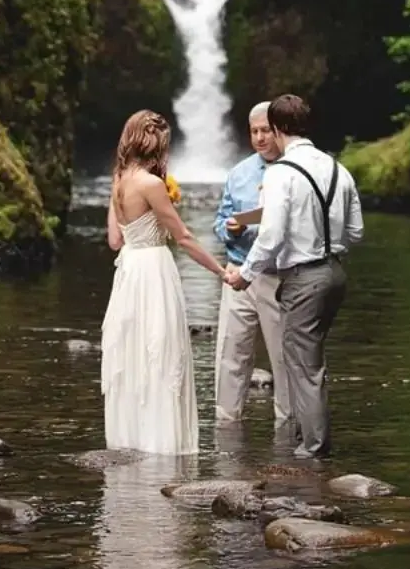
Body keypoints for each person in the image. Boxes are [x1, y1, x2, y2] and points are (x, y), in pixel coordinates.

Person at [227, 94, 364, 458]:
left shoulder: (280, 174)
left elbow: (270, 236)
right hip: (335, 273)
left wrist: (245, 273)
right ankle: (309, 441)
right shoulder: (340, 169)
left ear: (276, 128)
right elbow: (355, 232)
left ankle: (312, 450)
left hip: (303, 278)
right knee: (310, 358)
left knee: (304, 365)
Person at [102, 110, 228, 455]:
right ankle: (162, 446)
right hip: (154, 271)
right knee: (161, 351)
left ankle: (129, 440)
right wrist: (222, 272)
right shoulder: (152, 185)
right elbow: (184, 237)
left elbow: (115, 240)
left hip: (129, 271)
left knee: (133, 352)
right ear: (156, 143)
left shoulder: (119, 181)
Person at [213, 102, 291, 425]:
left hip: (277, 277)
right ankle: (226, 426)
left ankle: (288, 429)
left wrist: (256, 228)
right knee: (231, 355)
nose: (259, 138)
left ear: (279, 131)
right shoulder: (239, 173)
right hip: (237, 271)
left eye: (265, 131)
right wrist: (230, 229)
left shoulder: (293, 171)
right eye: (254, 131)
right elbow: (219, 221)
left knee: (283, 358)